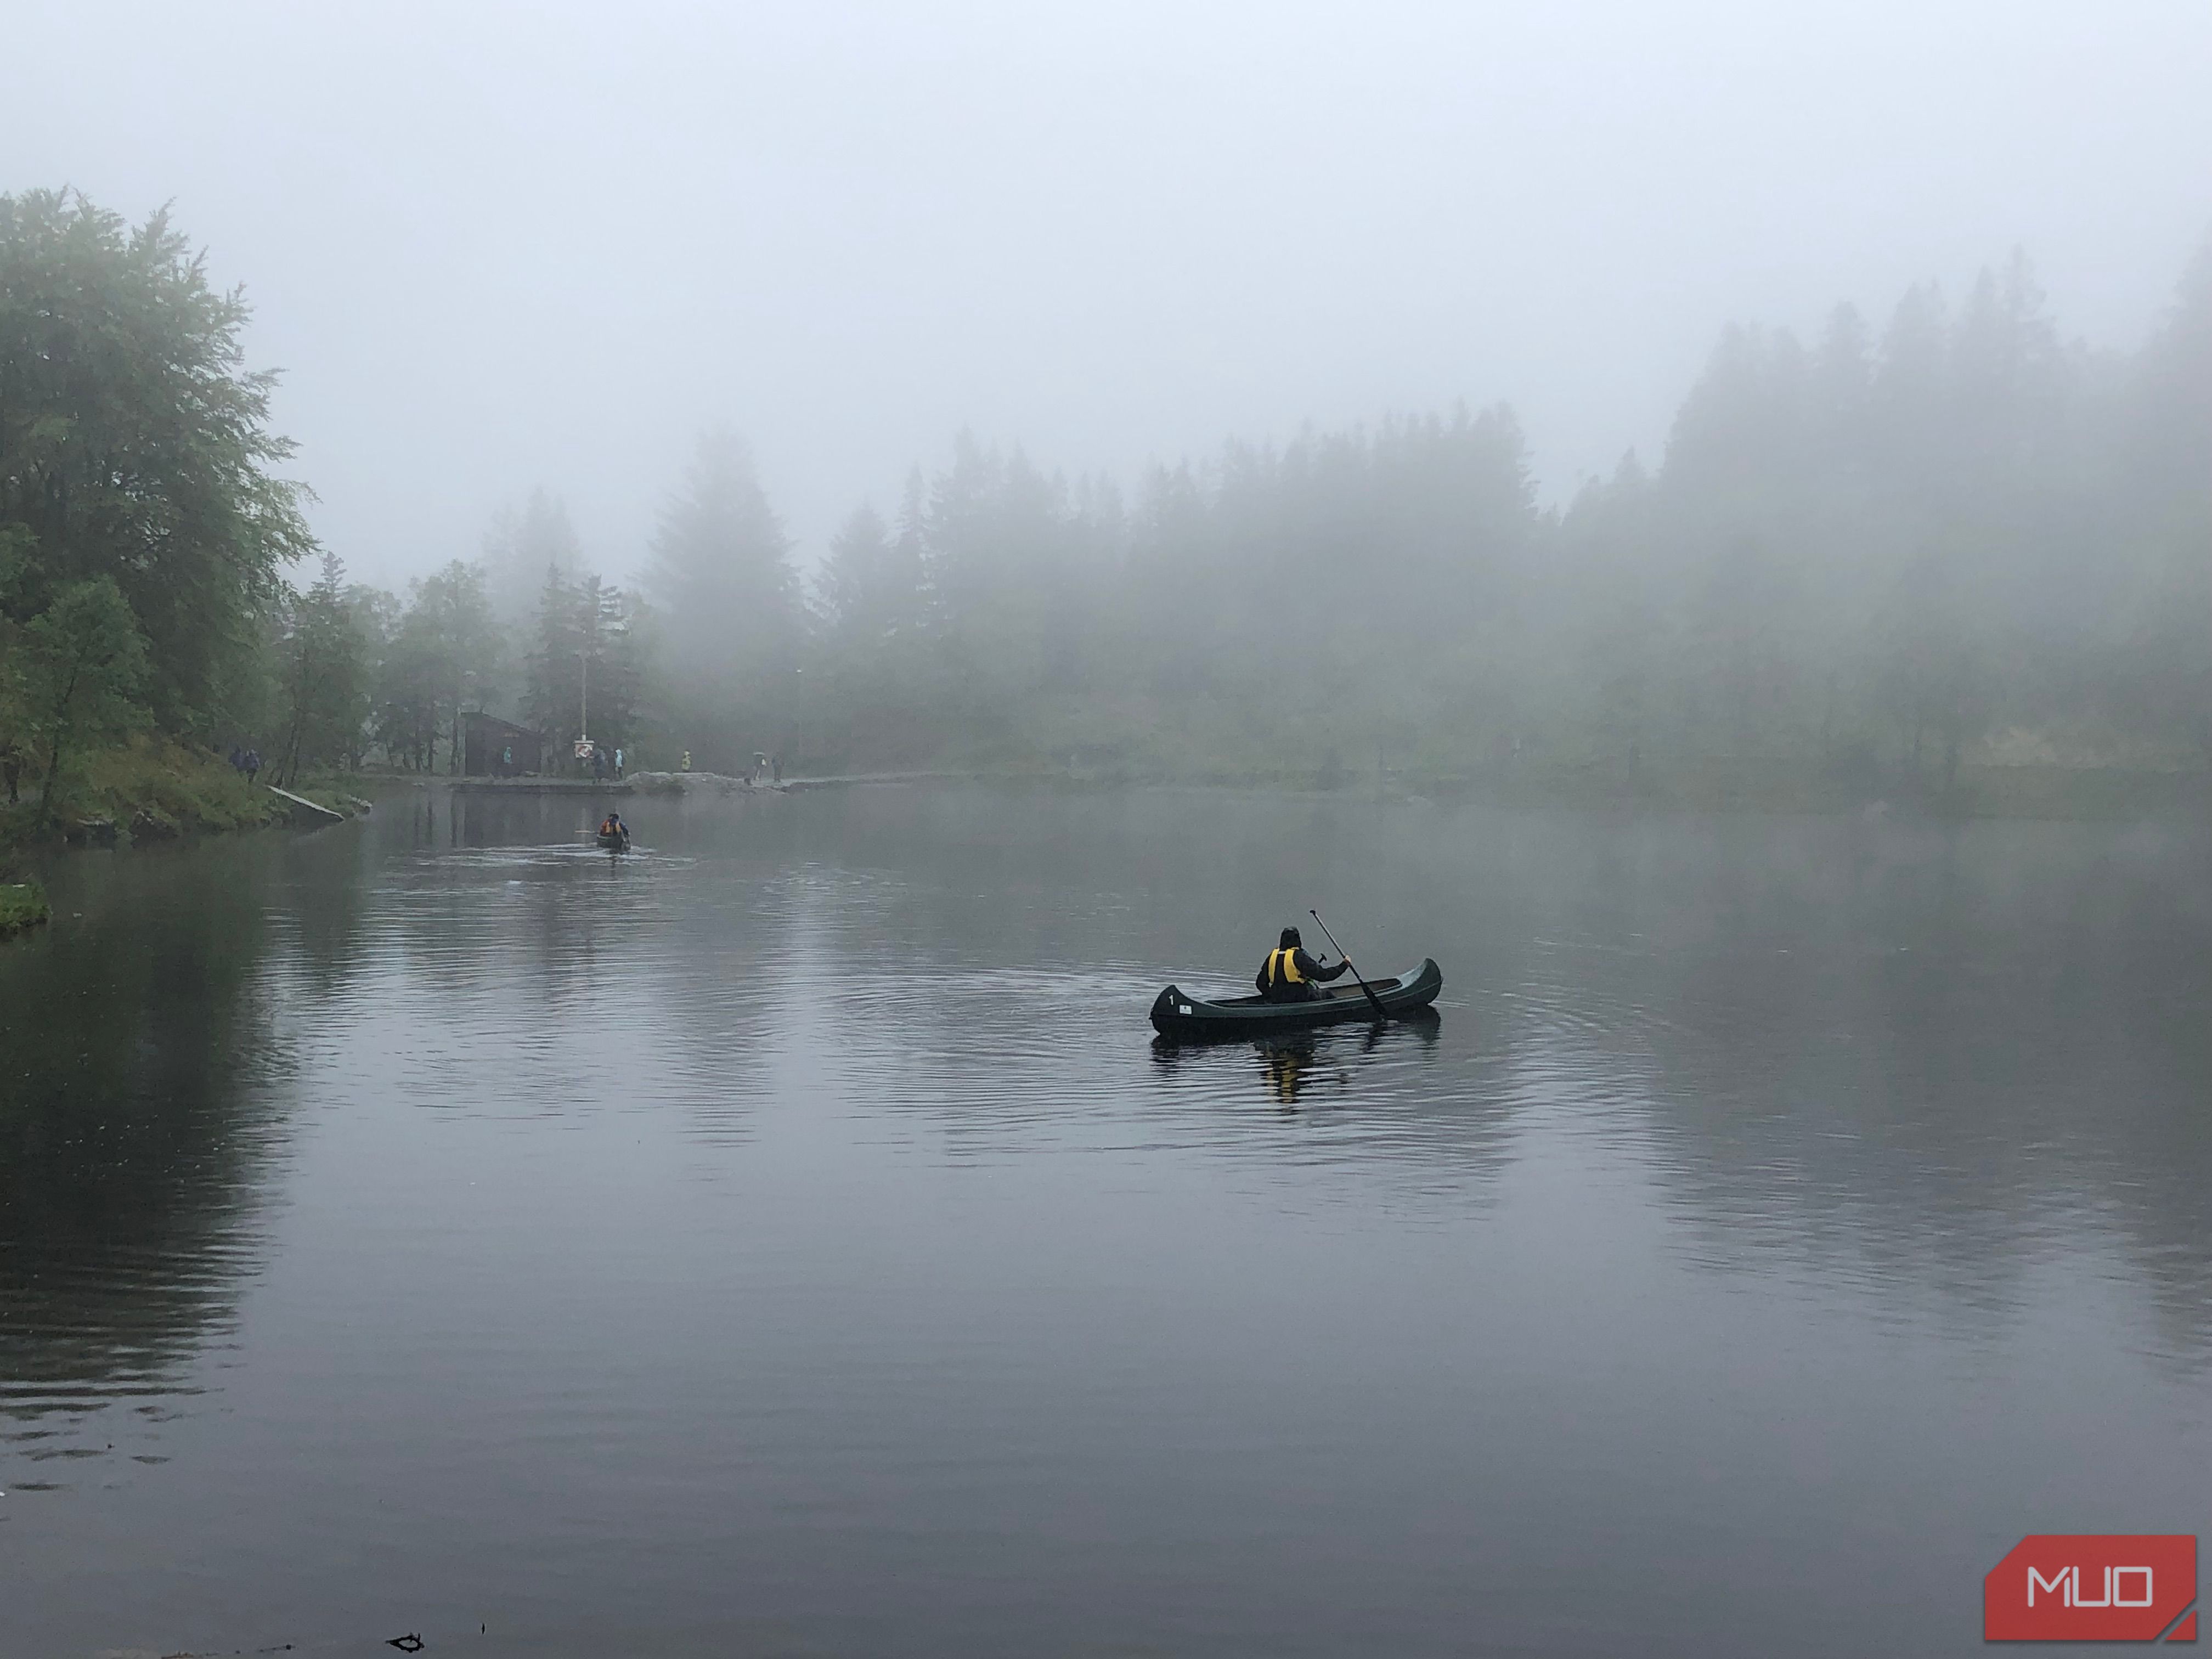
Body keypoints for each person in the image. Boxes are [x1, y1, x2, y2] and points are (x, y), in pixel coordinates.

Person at [1255, 926, 1350, 1002]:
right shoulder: (1298, 956)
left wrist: (1271, 996)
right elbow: (1323, 975)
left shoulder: (1272, 957)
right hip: (1299, 998)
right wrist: (1344, 965)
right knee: (1327, 994)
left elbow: (1260, 983)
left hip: (1277, 998)